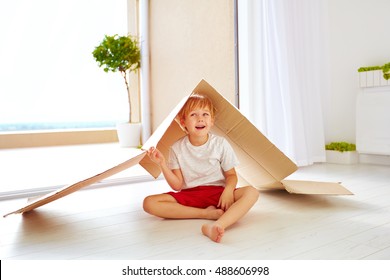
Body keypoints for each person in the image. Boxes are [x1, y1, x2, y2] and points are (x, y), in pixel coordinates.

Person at [143, 93, 259, 243]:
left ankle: (217, 225)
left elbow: (231, 175)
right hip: (191, 195)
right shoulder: (176, 148)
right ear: (183, 122)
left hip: (218, 194)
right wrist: (162, 164)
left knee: (252, 192)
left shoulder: (220, 144)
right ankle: (206, 214)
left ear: (211, 121)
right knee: (149, 203)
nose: (200, 119)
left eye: (205, 114)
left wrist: (228, 191)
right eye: (193, 115)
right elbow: (177, 186)